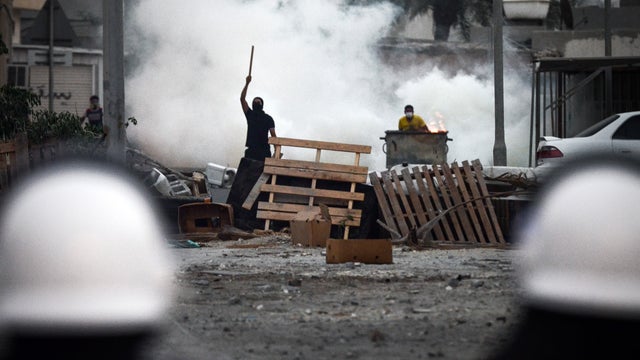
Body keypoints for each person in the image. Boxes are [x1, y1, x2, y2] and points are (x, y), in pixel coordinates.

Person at [240, 75, 276, 161]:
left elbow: (273, 135)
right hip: (251, 150)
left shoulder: (268, 118)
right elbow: (242, 99)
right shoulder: (250, 114)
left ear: (261, 105)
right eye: (254, 102)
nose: (256, 102)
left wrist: (276, 150)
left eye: (258, 101)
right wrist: (247, 83)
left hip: (264, 151)